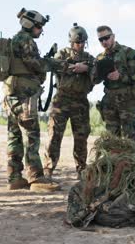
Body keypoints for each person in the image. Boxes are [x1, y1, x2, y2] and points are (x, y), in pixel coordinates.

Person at [2, 8, 61, 191]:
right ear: (30, 25)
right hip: (24, 94)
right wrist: (54, 63)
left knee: (14, 135)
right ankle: (36, 178)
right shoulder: (25, 40)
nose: (40, 31)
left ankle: (14, 177)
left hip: (10, 92)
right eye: (39, 27)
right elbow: (34, 64)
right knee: (32, 134)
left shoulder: (14, 40)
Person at [43, 23, 94, 179]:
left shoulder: (89, 58)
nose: (80, 45)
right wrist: (72, 67)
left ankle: (82, 170)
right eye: (77, 42)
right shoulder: (62, 54)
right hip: (62, 100)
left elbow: (97, 70)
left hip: (80, 100)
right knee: (54, 136)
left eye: (82, 42)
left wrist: (87, 68)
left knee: (81, 137)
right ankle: (48, 170)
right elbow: (53, 65)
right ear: (71, 42)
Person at [93, 25, 135, 147]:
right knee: (112, 137)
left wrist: (121, 75)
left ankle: (134, 164)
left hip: (127, 99)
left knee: (131, 136)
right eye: (101, 40)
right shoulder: (99, 58)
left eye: (106, 38)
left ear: (113, 36)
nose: (104, 42)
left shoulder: (128, 52)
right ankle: (115, 164)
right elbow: (94, 80)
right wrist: (98, 73)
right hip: (109, 100)